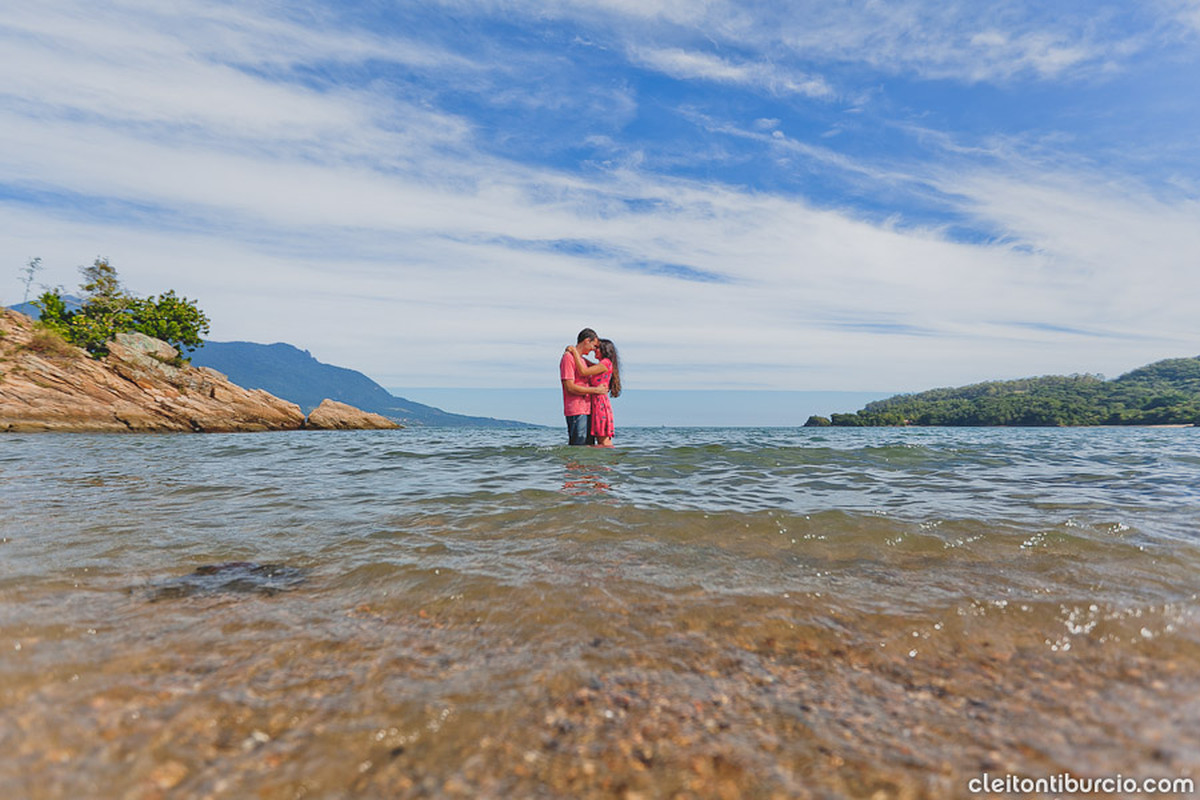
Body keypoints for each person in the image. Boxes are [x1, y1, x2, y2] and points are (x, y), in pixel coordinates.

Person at [566, 338, 621, 447]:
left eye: (597, 348)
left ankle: (605, 459)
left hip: (599, 403)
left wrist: (574, 352)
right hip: (595, 403)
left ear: (604, 350)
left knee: (603, 440)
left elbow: (583, 371)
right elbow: (587, 364)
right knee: (599, 438)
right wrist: (579, 356)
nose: (594, 350)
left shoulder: (605, 363)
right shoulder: (602, 364)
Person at [560, 328, 607, 445]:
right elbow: (569, 387)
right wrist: (595, 390)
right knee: (578, 446)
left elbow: (601, 366)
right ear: (587, 341)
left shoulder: (582, 360)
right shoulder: (568, 358)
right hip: (576, 410)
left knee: (589, 448)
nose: (594, 349)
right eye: (594, 345)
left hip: (588, 409)